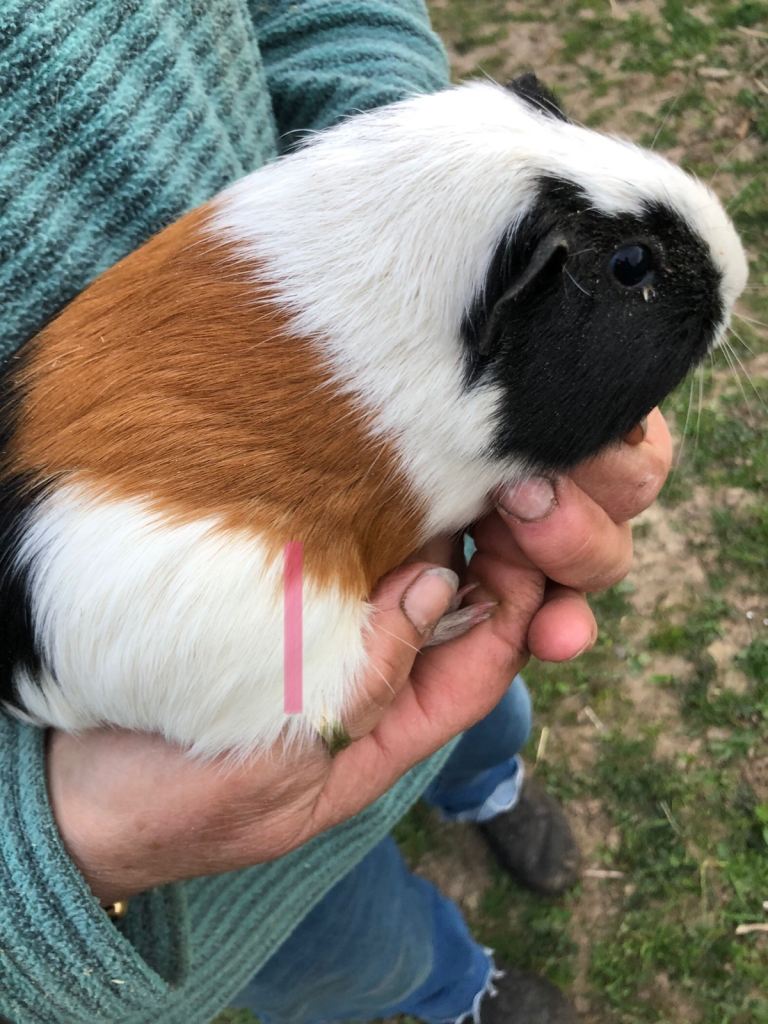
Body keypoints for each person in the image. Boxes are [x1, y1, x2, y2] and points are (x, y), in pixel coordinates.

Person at [0, 3, 673, 1022]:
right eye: (632, 273)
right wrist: (47, 870)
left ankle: (484, 784)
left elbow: (321, 14)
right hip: (196, 823)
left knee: (483, 690)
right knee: (346, 947)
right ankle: (452, 991)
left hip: (409, 564)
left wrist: (434, 186)